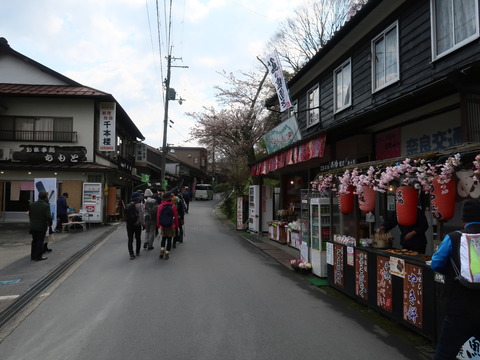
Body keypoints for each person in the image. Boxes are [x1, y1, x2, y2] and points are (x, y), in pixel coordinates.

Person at [431, 198, 480, 360]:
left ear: (463, 220)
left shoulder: (453, 238)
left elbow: (436, 264)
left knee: (446, 352)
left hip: (459, 306)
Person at [29, 190, 52, 261]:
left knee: (34, 240)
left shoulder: (32, 204)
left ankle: (33, 256)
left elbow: (30, 214)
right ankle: (39, 256)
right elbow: (48, 216)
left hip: (33, 226)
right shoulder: (46, 205)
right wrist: (50, 224)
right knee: (40, 240)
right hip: (41, 225)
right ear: (45, 198)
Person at [157, 191, 178, 260]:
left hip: (163, 226)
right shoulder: (173, 206)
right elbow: (175, 217)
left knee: (163, 239)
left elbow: (158, 216)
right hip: (171, 225)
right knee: (169, 240)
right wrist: (176, 226)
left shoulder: (160, 206)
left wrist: (158, 225)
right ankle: (167, 253)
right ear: (170, 198)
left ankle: (161, 252)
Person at [126, 192, 145, 260]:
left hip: (129, 224)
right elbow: (141, 216)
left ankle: (131, 254)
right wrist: (143, 224)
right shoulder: (140, 206)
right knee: (138, 238)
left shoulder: (128, 205)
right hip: (137, 224)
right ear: (137, 198)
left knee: (130, 239)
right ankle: (137, 252)